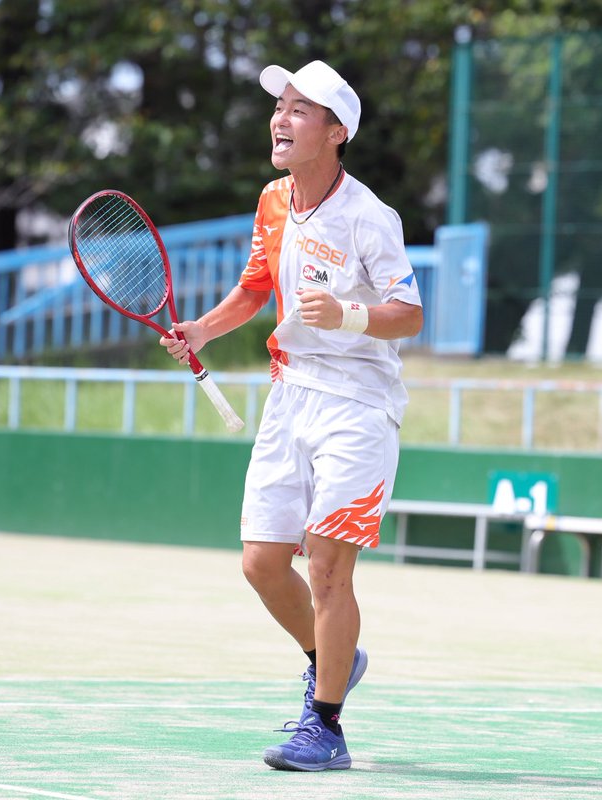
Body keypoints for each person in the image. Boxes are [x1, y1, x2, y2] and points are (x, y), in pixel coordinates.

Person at [161, 59, 423, 771]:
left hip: (358, 406)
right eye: (280, 106)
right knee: (262, 564)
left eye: (300, 109)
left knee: (330, 570)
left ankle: (326, 726)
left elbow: (410, 315)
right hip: (290, 394)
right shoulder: (273, 201)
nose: (280, 118)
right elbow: (254, 288)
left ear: (337, 132)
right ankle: (335, 656)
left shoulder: (371, 216)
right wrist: (204, 330)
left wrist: (348, 315)